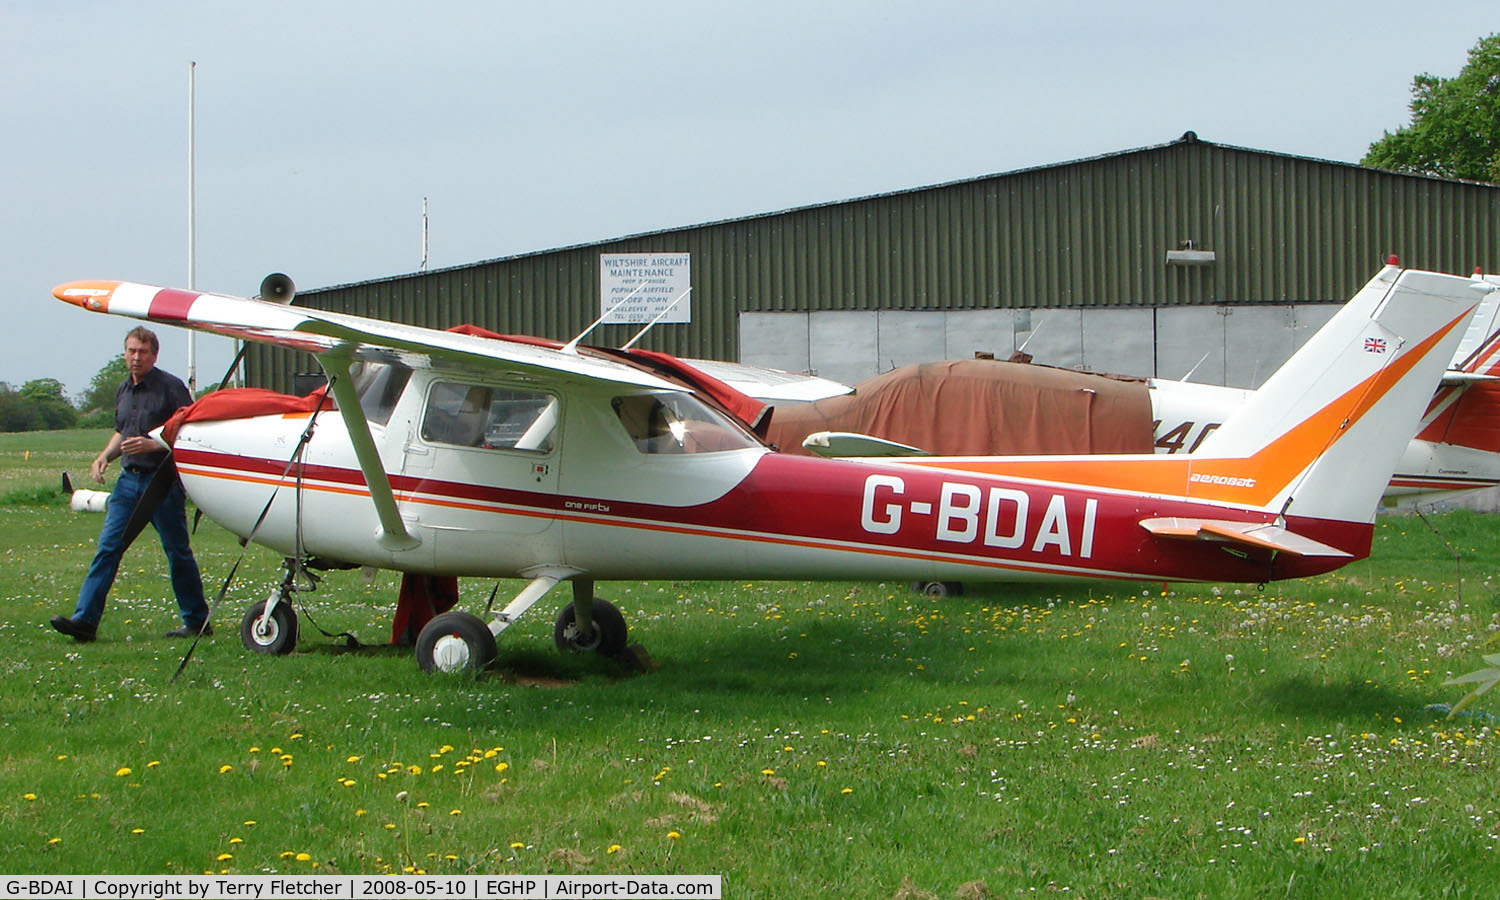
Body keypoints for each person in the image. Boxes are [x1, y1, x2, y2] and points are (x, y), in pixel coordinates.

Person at [50, 327, 211, 642]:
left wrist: (154, 445)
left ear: (154, 354)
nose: (136, 357)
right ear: (124, 353)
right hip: (128, 482)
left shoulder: (171, 388)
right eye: (131, 351)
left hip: (162, 483)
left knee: (177, 552)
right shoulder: (124, 389)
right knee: (108, 549)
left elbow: (191, 432)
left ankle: (196, 621)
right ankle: (84, 622)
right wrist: (104, 456)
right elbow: (121, 432)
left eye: (143, 352)